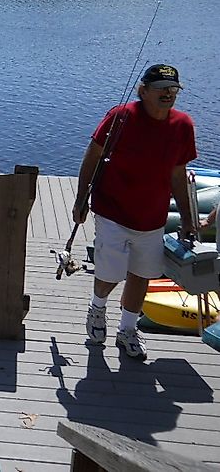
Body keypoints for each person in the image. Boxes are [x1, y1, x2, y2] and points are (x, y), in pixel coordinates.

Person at [74, 64, 196, 360]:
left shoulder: (182, 126)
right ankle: (97, 310)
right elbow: (93, 155)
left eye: (173, 89)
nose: (168, 94)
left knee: (142, 274)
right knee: (110, 272)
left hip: (152, 217)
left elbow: (178, 175)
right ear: (143, 91)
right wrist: (81, 200)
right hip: (112, 211)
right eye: (160, 89)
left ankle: (128, 329)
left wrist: (188, 218)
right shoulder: (120, 117)